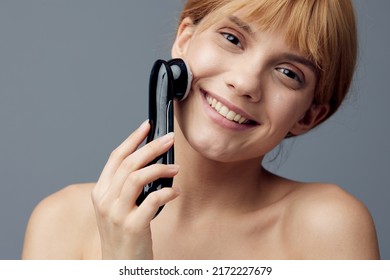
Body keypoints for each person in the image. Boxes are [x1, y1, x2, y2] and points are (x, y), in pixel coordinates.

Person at [22, 0, 380, 259]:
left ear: (308, 116)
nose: (245, 83)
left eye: (288, 73)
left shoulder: (330, 229)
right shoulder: (60, 223)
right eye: (232, 39)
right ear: (184, 42)